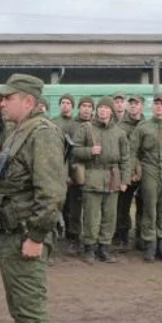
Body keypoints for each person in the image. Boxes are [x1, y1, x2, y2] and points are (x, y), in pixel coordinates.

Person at [0, 74, 64, 323]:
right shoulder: (19, 130)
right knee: (18, 307)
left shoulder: (43, 134)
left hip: (26, 235)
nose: (3, 103)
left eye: (8, 98)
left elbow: (52, 193)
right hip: (9, 231)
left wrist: (36, 236)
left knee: (30, 308)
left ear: (28, 102)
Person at [71, 97, 130, 264]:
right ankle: (89, 247)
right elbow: (75, 150)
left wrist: (124, 180)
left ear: (111, 111)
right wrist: (90, 151)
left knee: (110, 216)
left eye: (106, 108)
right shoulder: (86, 128)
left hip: (113, 177)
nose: (103, 111)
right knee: (91, 216)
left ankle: (104, 247)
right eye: (101, 108)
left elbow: (125, 158)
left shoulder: (119, 132)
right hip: (92, 176)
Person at [129, 94, 162, 263]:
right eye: (156, 104)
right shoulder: (143, 127)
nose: (159, 107)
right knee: (149, 208)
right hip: (149, 170)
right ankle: (149, 243)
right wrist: (136, 169)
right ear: (152, 107)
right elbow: (132, 151)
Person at [114, 94, 145, 251]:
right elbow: (121, 151)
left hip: (145, 173)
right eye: (131, 103)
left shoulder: (148, 125)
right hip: (125, 171)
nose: (133, 106)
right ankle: (122, 236)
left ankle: (140, 236)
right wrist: (129, 171)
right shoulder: (120, 126)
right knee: (122, 206)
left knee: (143, 206)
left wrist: (139, 169)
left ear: (142, 106)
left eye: (136, 103)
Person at [63, 96, 94, 249]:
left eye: (89, 106)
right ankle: (74, 238)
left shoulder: (96, 125)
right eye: (83, 106)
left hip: (94, 172)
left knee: (91, 209)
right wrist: (66, 174)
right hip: (75, 171)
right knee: (74, 208)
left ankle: (90, 240)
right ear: (78, 108)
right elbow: (66, 152)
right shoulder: (70, 126)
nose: (86, 109)